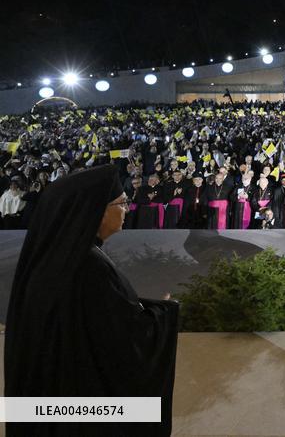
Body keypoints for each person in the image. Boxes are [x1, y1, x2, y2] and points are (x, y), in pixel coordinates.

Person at [4, 165, 178, 436]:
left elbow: (96, 312)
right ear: (96, 210)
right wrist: (163, 313)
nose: (128, 209)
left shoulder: (63, 259)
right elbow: (123, 339)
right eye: (122, 203)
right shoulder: (89, 265)